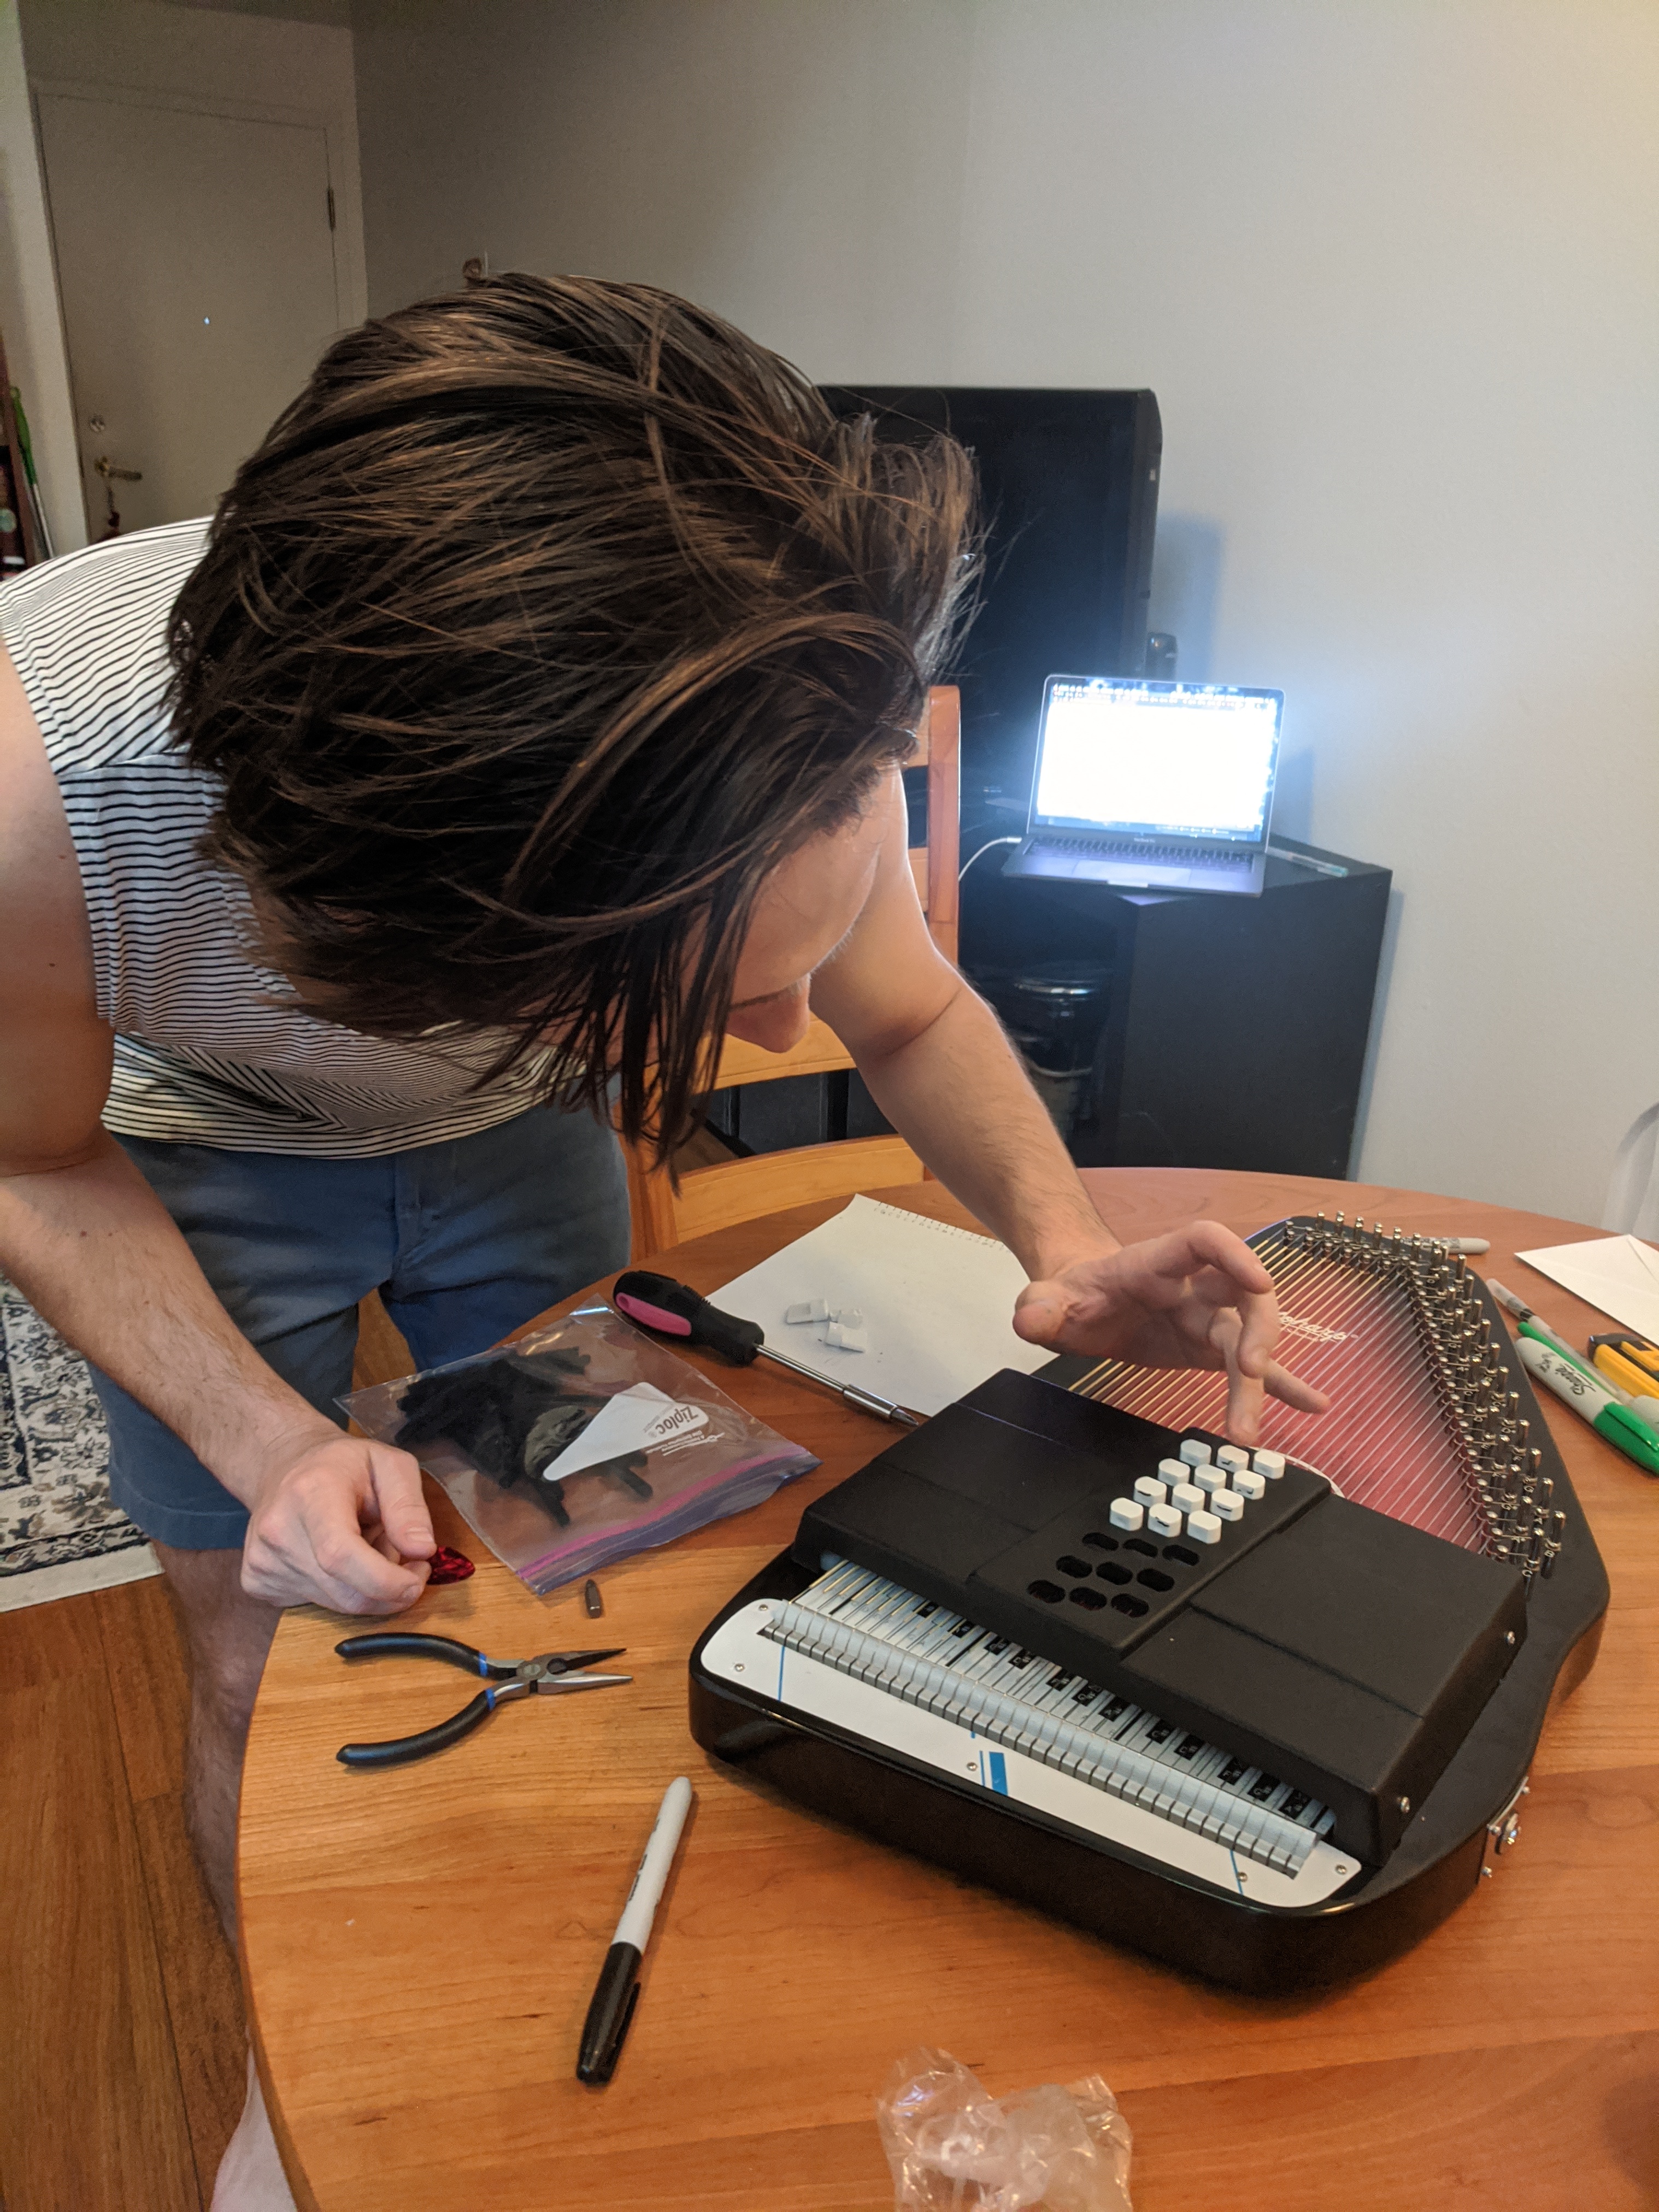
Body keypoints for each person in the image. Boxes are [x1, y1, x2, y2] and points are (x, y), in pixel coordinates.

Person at [0, 274, 1323, 2207]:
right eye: (716, 995)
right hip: (189, 1147)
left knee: (592, 1576)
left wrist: (1057, 1237)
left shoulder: (759, 703)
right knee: (256, 1646)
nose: (786, 1043)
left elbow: (912, 1015)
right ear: (435, 946)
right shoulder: (41, 795)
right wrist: (273, 1452)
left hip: (513, 1123)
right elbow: (32, 1166)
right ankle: (290, 2061)